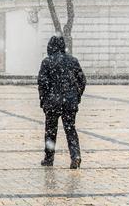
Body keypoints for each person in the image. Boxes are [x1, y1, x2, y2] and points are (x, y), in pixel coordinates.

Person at [37, 35, 86, 168]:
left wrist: (44, 100)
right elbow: (82, 81)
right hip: (69, 102)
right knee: (70, 130)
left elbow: (42, 83)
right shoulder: (73, 61)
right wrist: (76, 97)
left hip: (52, 103)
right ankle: (75, 155)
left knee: (50, 132)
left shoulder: (47, 62)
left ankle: (49, 158)